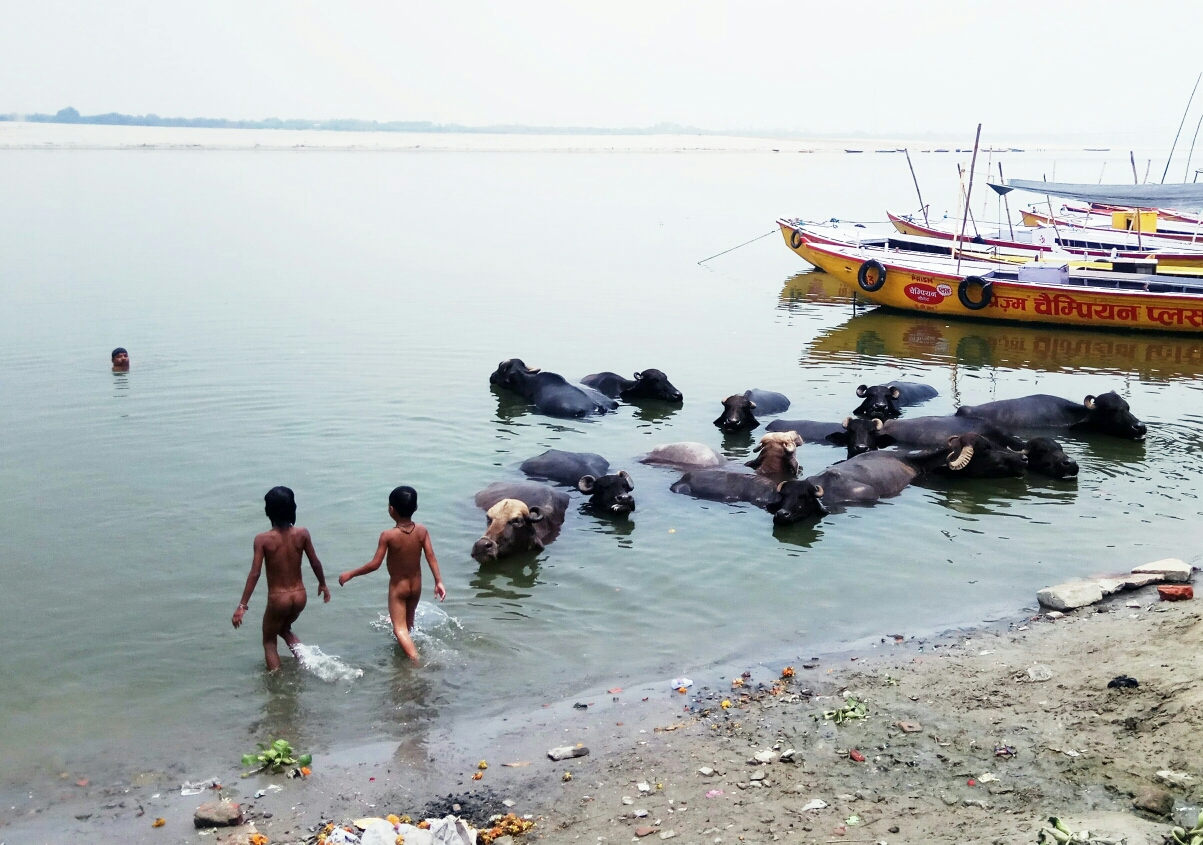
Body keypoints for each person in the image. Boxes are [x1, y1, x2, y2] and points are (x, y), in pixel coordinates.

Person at [339, 486, 445, 664]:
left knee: (399, 629)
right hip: (416, 586)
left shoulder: (388, 535)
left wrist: (351, 573)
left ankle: (416, 661)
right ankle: (406, 654)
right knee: (408, 623)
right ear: (416, 508)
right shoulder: (422, 531)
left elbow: (375, 564)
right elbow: (431, 557)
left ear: (391, 509)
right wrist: (438, 581)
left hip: (399, 588)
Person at [232, 486, 331, 670]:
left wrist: (242, 605)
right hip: (300, 596)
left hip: (279, 599)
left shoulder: (262, 539)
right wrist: (323, 584)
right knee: (284, 629)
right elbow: (315, 562)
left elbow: (255, 573)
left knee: (269, 641)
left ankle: (277, 684)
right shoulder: (302, 533)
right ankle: (309, 662)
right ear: (293, 508)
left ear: (268, 511)